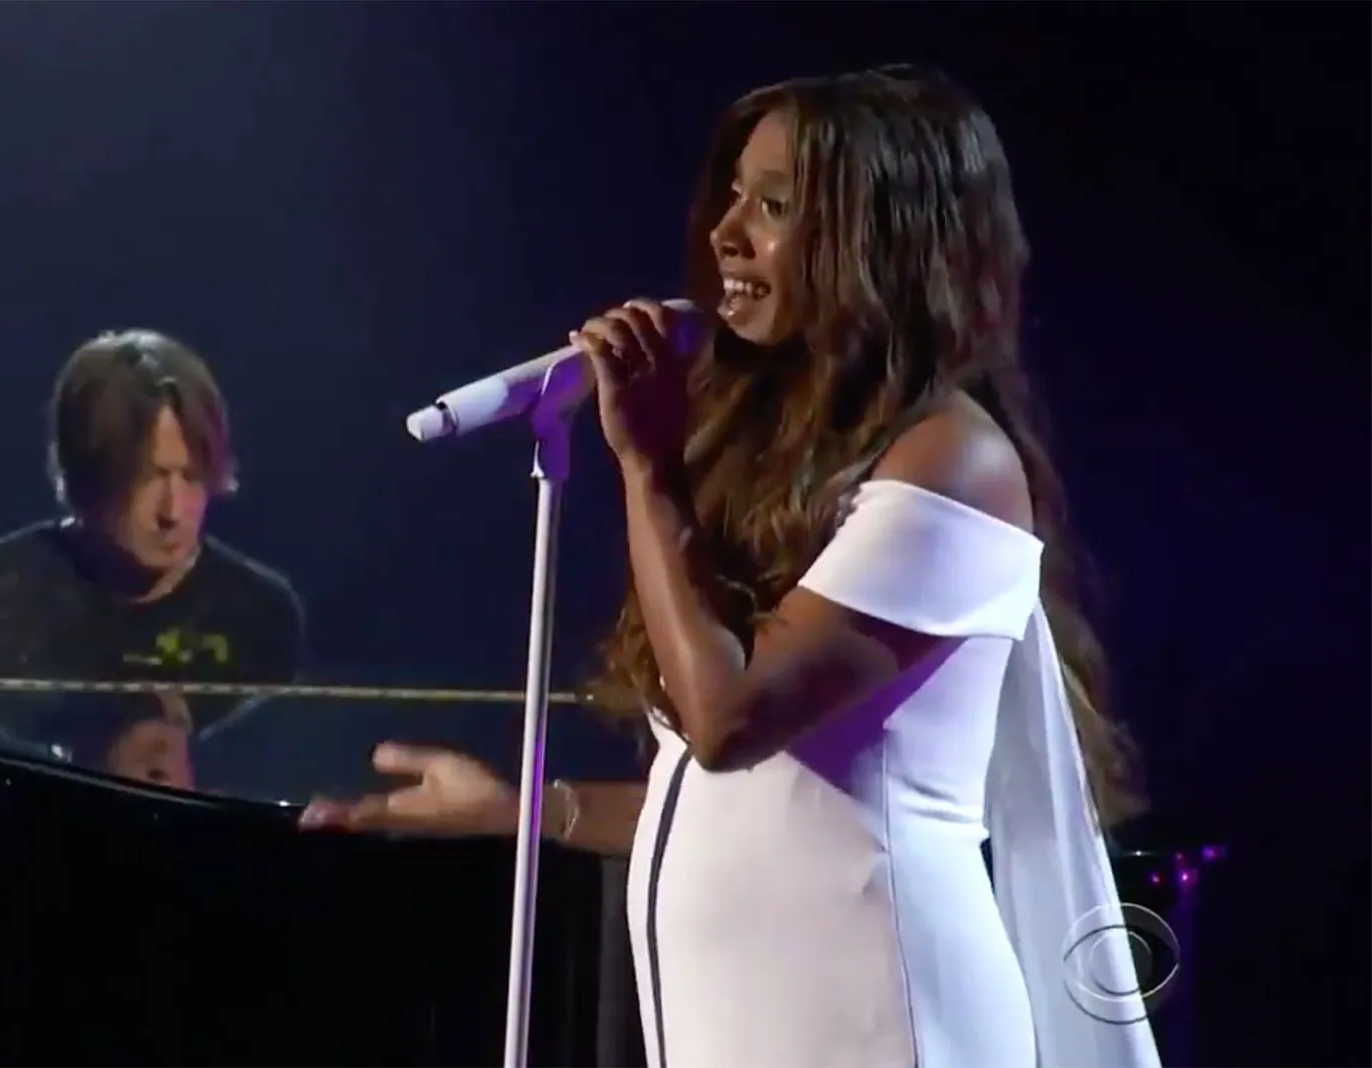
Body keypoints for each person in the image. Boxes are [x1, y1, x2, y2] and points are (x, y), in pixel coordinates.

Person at [303, 67, 1162, 1068]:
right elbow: (748, 804)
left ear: (879, 238)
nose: (725, 233)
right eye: (732, 197)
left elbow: (726, 723)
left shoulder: (952, 462)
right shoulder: (788, 461)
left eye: (774, 207)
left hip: (876, 1016)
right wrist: (517, 812)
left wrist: (647, 470)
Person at [0, 329, 306, 786]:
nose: (173, 511)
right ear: (87, 472)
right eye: (147, 477)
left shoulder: (261, 617)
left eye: (190, 476)